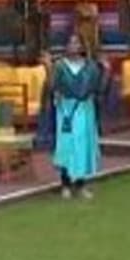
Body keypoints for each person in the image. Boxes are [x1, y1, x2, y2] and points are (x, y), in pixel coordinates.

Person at [51, 34, 102, 199]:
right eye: (70, 42)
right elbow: (53, 87)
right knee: (66, 145)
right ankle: (65, 184)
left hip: (84, 108)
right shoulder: (59, 66)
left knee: (82, 144)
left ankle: (81, 184)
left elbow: (97, 88)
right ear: (65, 46)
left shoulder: (90, 66)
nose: (74, 46)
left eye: (77, 43)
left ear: (82, 46)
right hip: (66, 109)